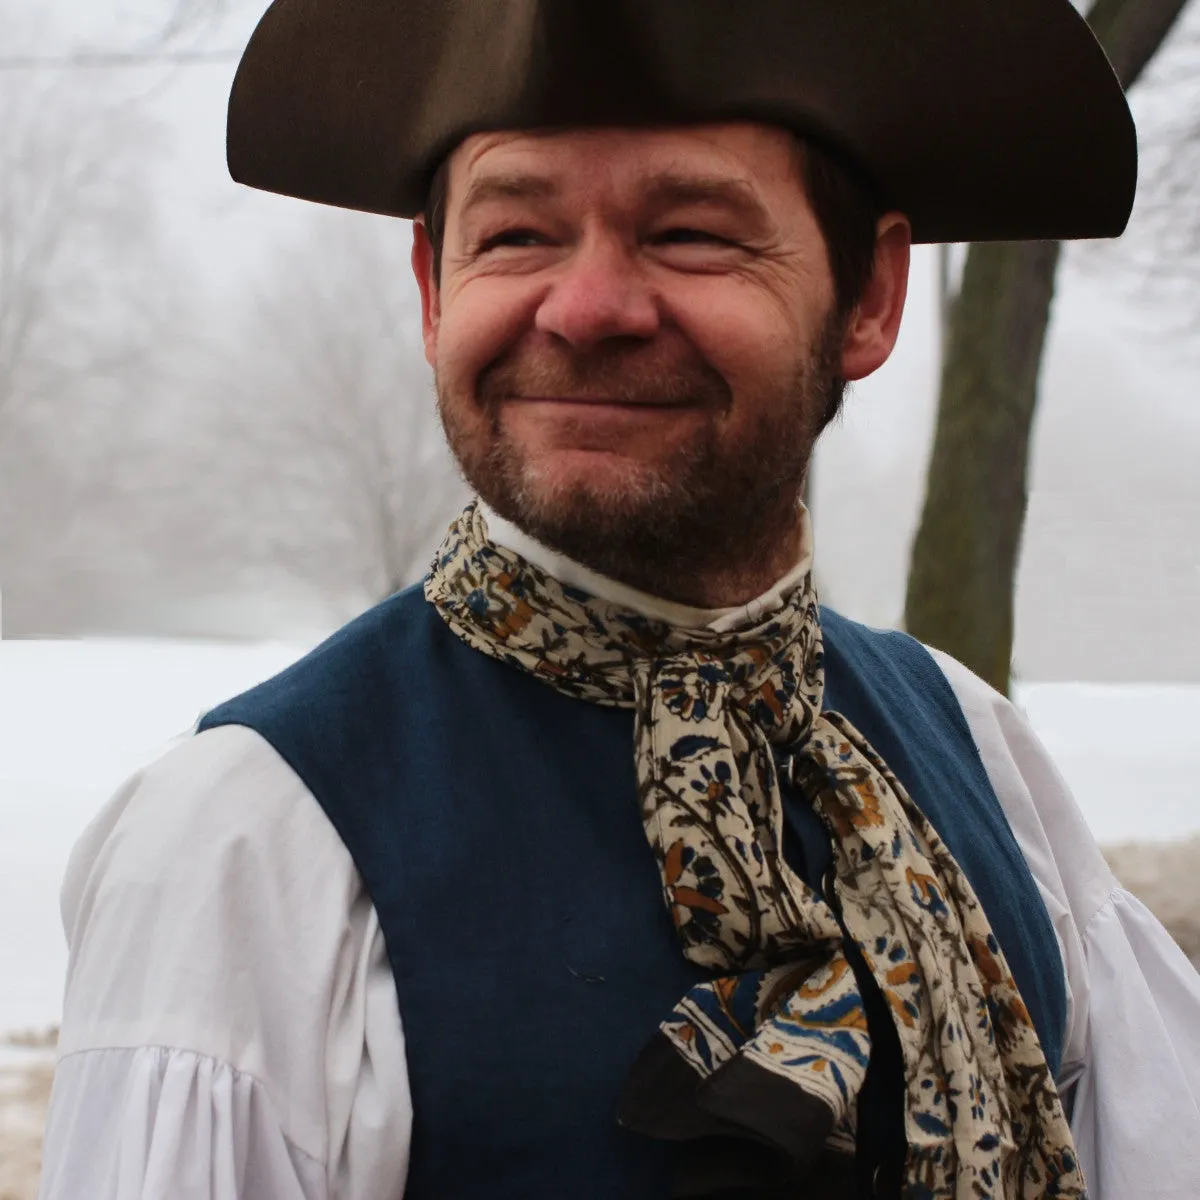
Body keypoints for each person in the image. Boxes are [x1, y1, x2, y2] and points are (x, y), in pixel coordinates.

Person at [38, 2, 1200, 1198]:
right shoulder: (252, 838)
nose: (588, 307)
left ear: (868, 300)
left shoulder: (982, 757)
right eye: (518, 234)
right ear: (437, 289)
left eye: (691, 233)